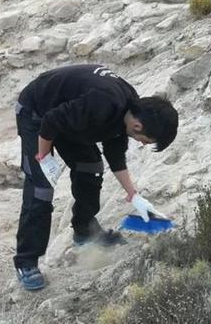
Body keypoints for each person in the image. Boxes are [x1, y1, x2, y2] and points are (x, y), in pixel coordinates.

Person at [13, 64, 178, 291]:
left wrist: (134, 195)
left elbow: (115, 155)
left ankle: (84, 230)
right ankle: (26, 262)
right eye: (146, 141)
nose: (142, 144)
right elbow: (51, 121)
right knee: (42, 189)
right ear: (138, 126)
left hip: (67, 114)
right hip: (37, 111)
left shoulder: (129, 109)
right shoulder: (102, 104)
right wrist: (43, 157)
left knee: (91, 168)